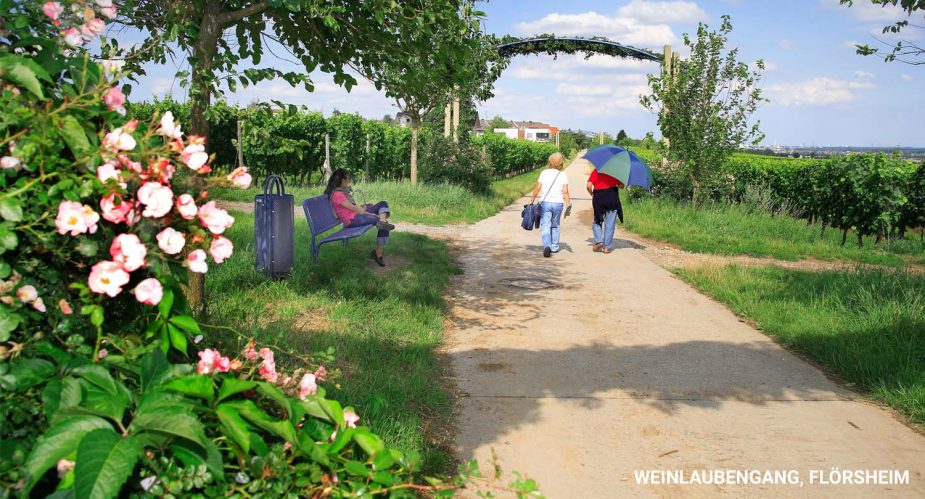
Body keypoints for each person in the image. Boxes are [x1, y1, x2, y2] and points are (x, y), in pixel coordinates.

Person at [324, 169, 395, 267]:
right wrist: (368, 213)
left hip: (357, 214)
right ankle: (378, 254)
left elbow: (353, 207)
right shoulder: (337, 194)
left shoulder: (342, 192)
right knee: (378, 220)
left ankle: (382, 221)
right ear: (343, 180)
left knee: (383, 204)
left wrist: (364, 207)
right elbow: (353, 208)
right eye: (348, 179)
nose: (349, 181)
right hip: (352, 220)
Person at [528, 152, 571, 257]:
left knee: (545, 224)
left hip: (545, 203)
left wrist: (532, 199)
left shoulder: (544, 173)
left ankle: (547, 245)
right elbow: (565, 191)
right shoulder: (563, 175)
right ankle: (555, 247)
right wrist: (568, 204)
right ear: (561, 163)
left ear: (550, 161)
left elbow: (538, 188)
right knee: (555, 225)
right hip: (558, 204)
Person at [587, 169, 624, 254]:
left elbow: (588, 186)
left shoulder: (596, 171)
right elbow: (621, 186)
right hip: (612, 197)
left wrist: (592, 194)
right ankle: (607, 247)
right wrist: (621, 181)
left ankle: (599, 241)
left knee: (597, 220)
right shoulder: (615, 171)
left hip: (598, 197)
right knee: (610, 223)